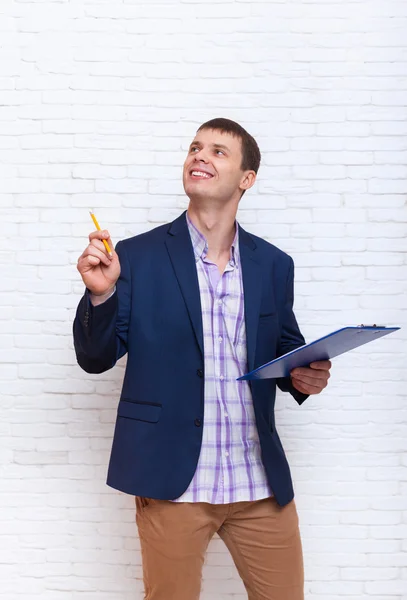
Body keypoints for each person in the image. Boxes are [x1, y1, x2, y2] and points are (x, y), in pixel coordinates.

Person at [73, 117, 331, 600]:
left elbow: (284, 350)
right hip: (173, 481)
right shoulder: (137, 256)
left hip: (259, 485)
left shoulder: (273, 263)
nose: (200, 156)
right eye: (195, 147)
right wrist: (102, 297)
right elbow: (95, 359)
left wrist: (304, 377)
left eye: (218, 151)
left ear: (246, 178)